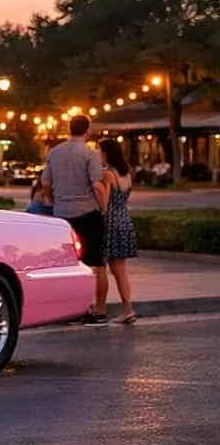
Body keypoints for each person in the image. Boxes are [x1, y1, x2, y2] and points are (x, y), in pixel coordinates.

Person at [41, 115, 109, 323]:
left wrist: (53, 202)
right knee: (96, 265)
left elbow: (45, 183)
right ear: (87, 130)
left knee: (67, 265)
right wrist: (103, 208)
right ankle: (99, 310)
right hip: (88, 212)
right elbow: (97, 184)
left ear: (70, 129)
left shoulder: (54, 152)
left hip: (62, 215)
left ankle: (68, 310)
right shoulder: (90, 153)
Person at [98, 138, 138, 323]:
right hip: (125, 220)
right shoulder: (127, 173)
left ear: (107, 153)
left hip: (111, 221)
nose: (99, 154)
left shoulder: (108, 174)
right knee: (121, 269)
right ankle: (128, 308)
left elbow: (105, 204)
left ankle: (101, 307)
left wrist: (97, 189)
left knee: (103, 267)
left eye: (100, 151)